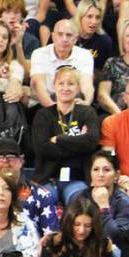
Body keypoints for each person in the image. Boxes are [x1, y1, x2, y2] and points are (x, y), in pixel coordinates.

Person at [31, 66, 101, 202]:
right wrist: (78, 142)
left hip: (77, 178)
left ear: (78, 87)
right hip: (48, 179)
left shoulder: (87, 112)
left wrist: (59, 139)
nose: (65, 88)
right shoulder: (43, 115)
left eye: (71, 84)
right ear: (54, 86)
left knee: (79, 202)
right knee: (42, 200)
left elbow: (91, 143)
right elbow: (42, 148)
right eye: (61, 83)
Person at [30, 19, 96, 107]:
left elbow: (87, 84)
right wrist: (53, 108)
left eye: (69, 35)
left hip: (73, 102)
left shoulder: (85, 55)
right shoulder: (39, 54)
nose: (64, 39)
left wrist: (86, 103)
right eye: (60, 34)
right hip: (44, 103)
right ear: (53, 37)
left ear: (75, 39)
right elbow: (38, 86)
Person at [0, 0, 41, 72]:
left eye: (16, 12)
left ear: (22, 17)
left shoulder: (32, 41)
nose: (12, 16)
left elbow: (27, 73)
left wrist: (18, 43)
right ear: (0, 16)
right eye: (7, 12)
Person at [73, 0, 115, 72]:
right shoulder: (66, 34)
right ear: (80, 17)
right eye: (89, 16)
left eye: (98, 17)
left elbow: (104, 71)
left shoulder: (104, 41)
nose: (94, 21)